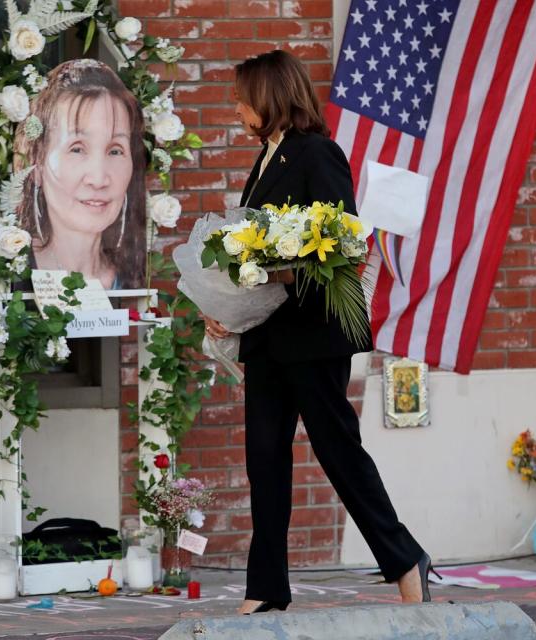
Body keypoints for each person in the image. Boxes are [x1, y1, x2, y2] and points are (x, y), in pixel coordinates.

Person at [203, 51, 434, 614]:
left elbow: (342, 248)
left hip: (311, 336)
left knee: (338, 452)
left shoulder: (317, 154)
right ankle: (267, 588)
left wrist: (271, 273)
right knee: (264, 458)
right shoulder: (264, 160)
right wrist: (229, 305)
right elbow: (250, 254)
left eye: (242, 97)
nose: (237, 108)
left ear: (271, 97)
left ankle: (404, 558)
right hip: (266, 339)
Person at [13, 59, 146, 290]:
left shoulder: (132, 280)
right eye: (77, 149)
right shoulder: (11, 274)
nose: (99, 179)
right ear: (36, 162)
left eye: (115, 150)